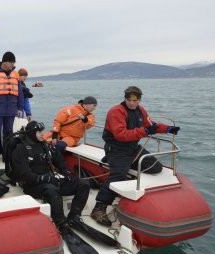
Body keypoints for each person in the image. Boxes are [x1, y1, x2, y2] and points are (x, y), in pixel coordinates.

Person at [91, 86, 181, 226]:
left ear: (139, 99)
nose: (132, 103)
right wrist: (144, 131)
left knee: (155, 167)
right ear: (125, 98)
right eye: (129, 99)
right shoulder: (116, 111)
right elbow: (120, 135)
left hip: (133, 148)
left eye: (135, 100)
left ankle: (122, 164)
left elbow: (150, 125)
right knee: (118, 175)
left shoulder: (141, 110)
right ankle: (99, 208)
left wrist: (168, 129)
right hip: (116, 148)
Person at [10, 121, 90, 232]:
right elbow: (23, 173)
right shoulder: (21, 149)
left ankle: (74, 217)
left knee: (83, 183)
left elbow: (58, 158)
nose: (42, 134)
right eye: (39, 132)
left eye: (42, 132)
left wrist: (66, 172)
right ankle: (61, 223)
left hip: (51, 180)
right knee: (52, 190)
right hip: (32, 185)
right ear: (32, 133)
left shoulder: (44, 145)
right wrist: (42, 178)